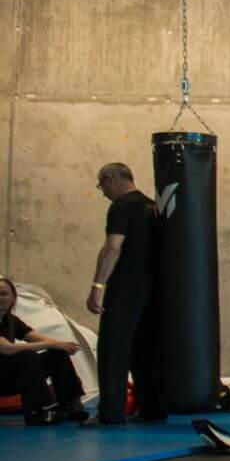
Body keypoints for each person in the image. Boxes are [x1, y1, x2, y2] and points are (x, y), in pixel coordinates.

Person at [85, 162, 163, 425]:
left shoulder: (121, 206)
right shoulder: (153, 207)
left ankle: (110, 413)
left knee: (113, 348)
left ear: (111, 178)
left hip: (126, 286)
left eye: (102, 186)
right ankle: (152, 408)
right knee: (144, 348)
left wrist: (97, 287)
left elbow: (113, 247)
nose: (104, 192)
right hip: (153, 287)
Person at [0, 278, 88, 424]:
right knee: (27, 356)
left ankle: (70, 405)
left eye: (4, 294)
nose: (0, 298)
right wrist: (52, 343)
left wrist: (60, 345)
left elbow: (36, 338)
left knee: (56, 354)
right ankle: (38, 411)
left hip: (9, 375)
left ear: (13, 298)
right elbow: (7, 349)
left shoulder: (11, 320)